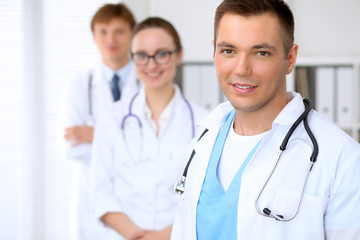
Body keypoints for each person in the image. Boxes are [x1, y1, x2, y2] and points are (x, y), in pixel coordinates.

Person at [171, 0, 360, 239]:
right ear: (214, 52)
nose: (241, 69)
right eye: (228, 51)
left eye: (261, 53)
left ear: (290, 59)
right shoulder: (202, 140)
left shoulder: (343, 160)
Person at [90, 17, 208, 240]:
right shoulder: (111, 118)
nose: (152, 65)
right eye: (142, 56)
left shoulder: (204, 124)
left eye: (162, 54)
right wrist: (139, 237)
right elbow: (100, 193)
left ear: (178, 55)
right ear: (132, 59)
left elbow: (204, 199)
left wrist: (162, 237)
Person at [63, 3, 138, 240]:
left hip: (137, 197)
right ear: (94, 36)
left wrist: (96, 135)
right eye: (103, 31)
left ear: (132, 34)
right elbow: (70, 148)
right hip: (90, 199)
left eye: (119, 31)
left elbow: (154, 143)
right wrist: (129, 141)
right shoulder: (79, 85)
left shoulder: (148, 83)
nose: (110, 39)